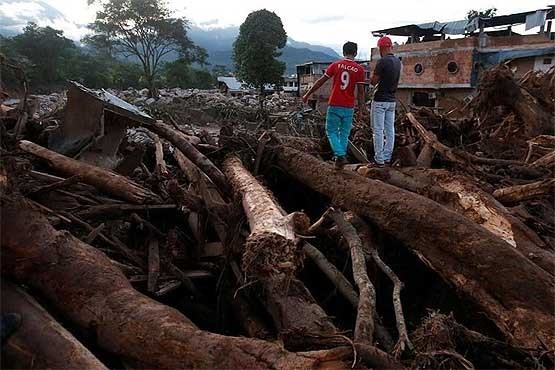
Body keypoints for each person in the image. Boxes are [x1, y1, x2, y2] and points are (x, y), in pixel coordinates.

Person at [302, 41, 366, 169]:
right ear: (355, 53)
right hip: (349, 106)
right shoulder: (359, 69)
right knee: (344, 133)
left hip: (335, 104)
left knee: (331, 131)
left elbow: (320, 81)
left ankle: (340, 155)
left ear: (343, 52)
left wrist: (307, 94)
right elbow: (360, 92)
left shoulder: (336, 65)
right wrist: (361, 109)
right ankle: (339, 160)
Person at [370, 36, 401, 167]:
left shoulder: (382, 62)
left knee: (378, 130)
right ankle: (387, 157)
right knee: (390, 130)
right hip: (391, 101)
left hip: (380, 100)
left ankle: (379, 159)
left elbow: (374, 81)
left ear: (381, 48)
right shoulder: (398, 62)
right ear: (390, 47)